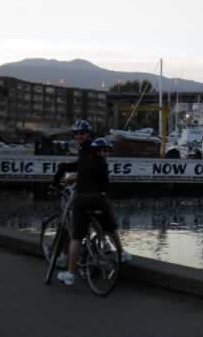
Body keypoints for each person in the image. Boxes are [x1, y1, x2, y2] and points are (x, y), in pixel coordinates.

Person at [53, 120, 127, 286]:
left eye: (82, 133)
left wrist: (65, 170)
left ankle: (70, 273)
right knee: (109, 225)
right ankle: (121, 252)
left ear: (88, 134)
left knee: (77, 236)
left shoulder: (87, 148)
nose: (78, 136)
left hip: (83, 197)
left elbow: (82, 167)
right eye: (76, 133)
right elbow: (95, 175)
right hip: (99, 197)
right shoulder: (94, 153)